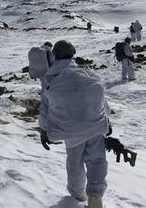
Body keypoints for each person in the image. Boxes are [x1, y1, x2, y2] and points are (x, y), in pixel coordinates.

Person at [39, 40, 110, 208]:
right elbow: (101, 98)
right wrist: (107, 120)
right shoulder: (87, 73)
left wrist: (43, 130)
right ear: (72, 54)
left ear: (55, 55)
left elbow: (45, 108)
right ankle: (95, 196)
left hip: (70, 131)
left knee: (75, 163)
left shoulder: (51, 79)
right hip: (95, 126)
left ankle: (78, 197)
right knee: (97, 160)